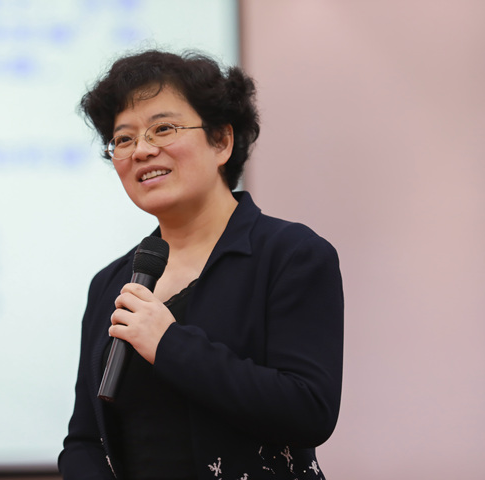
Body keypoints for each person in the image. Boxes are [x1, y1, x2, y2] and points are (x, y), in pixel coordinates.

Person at [58, 50, 343, 480]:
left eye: (163, 128)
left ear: (221, 141)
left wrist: (169, 343)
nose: (142, 150)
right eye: (124, 139)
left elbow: (309, 411)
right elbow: (85, 440)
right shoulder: (110, 283)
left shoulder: (290, 255)